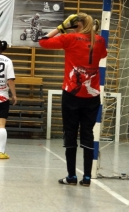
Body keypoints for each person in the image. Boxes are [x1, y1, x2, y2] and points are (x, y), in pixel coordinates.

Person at [39, 13, 107, 187]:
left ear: (74, 24)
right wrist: (94, 33)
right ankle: (86, 178)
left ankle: (71, 176)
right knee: (88, 134)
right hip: (92, 96)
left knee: (70, 132)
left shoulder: (69, 38)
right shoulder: (100, 40)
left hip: (72, 94)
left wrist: (61, 28)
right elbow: (102, 54)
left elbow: (43, 41)